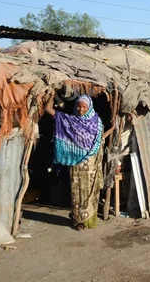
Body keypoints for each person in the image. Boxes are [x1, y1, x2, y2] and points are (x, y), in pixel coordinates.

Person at [45, 94, 114, 230]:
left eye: (84, 107)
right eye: (79, 106)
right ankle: (78, 221)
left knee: (91, 192)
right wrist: (51, 95)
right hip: (76, 165)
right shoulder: (69, 121)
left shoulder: (97, 122)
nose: (81, 109)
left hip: (92, 165)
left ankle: (89, 219)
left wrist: (113, 128)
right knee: (77, 193)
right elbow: (48, 109)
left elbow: (99, 140)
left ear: (89, 107)